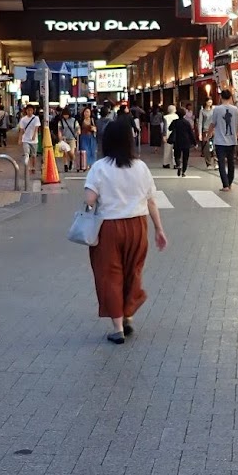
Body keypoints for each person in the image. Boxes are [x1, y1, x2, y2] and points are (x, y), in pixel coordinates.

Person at [83, 120, 168, 343]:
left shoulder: (99, 167)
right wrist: (159, 229)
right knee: (133, 271)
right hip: (138, 225)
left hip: (109, 228)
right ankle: (129, 313)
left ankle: (118, 327)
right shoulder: (141, 167)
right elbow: (151, 201)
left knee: (110, 275)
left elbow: (90, 199)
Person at [208, 90, 238, 192]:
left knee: (221, 162)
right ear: (231, 97)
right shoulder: (235, 109)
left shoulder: (217, 109)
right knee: (231, 162)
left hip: (220, 141)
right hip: (232, 140)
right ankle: (229, 183)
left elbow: (213, 123)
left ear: (220, 97)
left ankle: (225, 185)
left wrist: (209, 134)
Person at [168, 106, 197, 177]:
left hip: (177, 141)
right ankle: (183, 172)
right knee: (185, 157)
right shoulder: (186, 122)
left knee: (177, 155)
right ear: (184, 114)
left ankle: (178, 165)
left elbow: (169, 128)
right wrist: (194, 143)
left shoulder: (175, 122)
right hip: (186, 141)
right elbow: (191, 133)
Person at [17, 104, 42, 172]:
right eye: (28, 110)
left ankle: (33, 167)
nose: (29, 112)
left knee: (34, 155)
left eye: (31, 110)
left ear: (33, 111)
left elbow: (36, 128)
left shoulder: (36, 118)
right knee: (27, 153)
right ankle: (27, 167)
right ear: (26, 111)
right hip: (25, 139)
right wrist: (20, 139)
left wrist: (34, 135)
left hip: (34, 140)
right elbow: (21, 130)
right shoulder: (23, 119)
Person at [57, 107, 79, 172]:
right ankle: (65, 165)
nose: (65, 116)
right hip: (64, 139)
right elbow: (59, 130)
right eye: (64, 114)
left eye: (66, 114)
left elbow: (77, 127)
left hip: (72, 138)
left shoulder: (74, 120)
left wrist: (78, 131)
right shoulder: (61, 121)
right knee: (65, 153)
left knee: (71, 152)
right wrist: (60, 138)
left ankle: (72, 160)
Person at [77, 106, 98, 172]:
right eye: (85, 112)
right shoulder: (81, 120)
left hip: (91, 137)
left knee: (92, 151)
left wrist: (94, 129)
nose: (86, 113)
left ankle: (92, 164)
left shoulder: (93, 120)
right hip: (83, 137)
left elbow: (96, 128)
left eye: (88, 112)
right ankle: (85, 164)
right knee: (85, 151)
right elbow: (78, 128)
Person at [197, 98, 215, 167]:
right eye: (209, 102)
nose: (210, 103)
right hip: (206, 130)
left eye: (211, 102)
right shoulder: (202, 111)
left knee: (215, 146)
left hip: (214, 130)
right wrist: (200, 134)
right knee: (207, 147)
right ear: (206, 102)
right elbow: (200, 122)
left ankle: (216, 161)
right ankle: (208, 163)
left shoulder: (214, 110)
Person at [161, 104, 178, 168]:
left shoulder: (165, 117)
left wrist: (164, 135)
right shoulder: (177, 117)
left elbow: (164, 127)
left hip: (168, 134)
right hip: (176, 135)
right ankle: (175, 163)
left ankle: (166, 163)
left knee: (167, 150)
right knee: (175, 150)